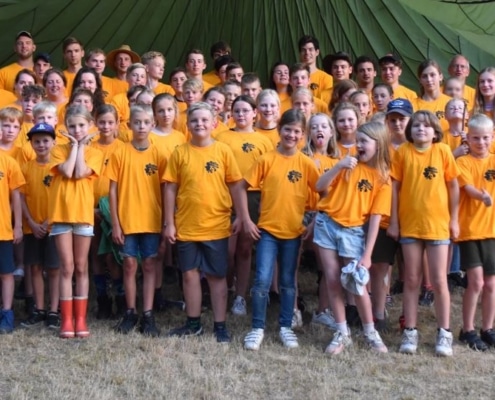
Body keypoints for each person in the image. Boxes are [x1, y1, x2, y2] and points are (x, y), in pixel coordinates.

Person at [163, 102, 248, 343]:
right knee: (189, 275)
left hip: (216, 225)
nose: (199, 124)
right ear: (187, 125)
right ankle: (193, 323)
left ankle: (220, 325)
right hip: (187, 225)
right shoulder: (180, 153)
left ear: (214, 123)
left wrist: (241, 215)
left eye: (204, 120)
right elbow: (170, 188)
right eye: (194, 120)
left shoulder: (223, 151)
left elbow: (235, 185)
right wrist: (169, 222)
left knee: (216, 276)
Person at [242, 109, 319, 350]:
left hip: (294, 233)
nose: (291, 135)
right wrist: (246, 220)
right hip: (267, 231)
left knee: (287, 281)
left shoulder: (306, 164)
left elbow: (325, 194)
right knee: (262, 279)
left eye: (297, 131)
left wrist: (312, 223)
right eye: (287, 129)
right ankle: (257, 327)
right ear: (279, 129)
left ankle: (286, 326)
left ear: (303, 135)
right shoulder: (266, 159)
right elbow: (241, 187)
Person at [313, 121, 391, 355]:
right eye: (358, 141)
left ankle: (370, 332)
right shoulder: (347, 164)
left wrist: (367, 255)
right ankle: (342, 332)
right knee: (332, 279)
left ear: (379, 144)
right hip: (326, 224)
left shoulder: (383, 178)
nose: (359, 145)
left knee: (356, 282)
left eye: (364, 141)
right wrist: (338, 166)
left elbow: (375, 219)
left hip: (353, 231)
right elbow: (319, 186)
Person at [388, 110, 459, 356]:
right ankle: (410, 331)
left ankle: (444, 332)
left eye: (427, 126)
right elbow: (394, 188)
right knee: (411, 279)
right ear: (410, 130)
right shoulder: (403, 152)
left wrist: (454, 220)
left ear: (435, 131)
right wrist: (394, 221)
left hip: (438, 224)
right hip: (410, 224)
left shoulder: (443, 151)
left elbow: (453, 186)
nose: (421, 129)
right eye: (417, 125)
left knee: (439, 280)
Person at [107, 105, 165, 336]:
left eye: (146, 122)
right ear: (129, 124)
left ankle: (148, 314)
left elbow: (166, 190)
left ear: (153, 124)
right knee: (129, 265)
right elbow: (113, 190)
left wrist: (166, 221)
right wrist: (115, 223)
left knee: (150, 264)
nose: (141, 126)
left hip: (151, 219)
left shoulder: (159, 153)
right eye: (137, 122)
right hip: (127, 219)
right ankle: (130, 312)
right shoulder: (120, 153)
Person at [49, 105, 103, 339]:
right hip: (61, 215)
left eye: (81, 125)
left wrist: (81, 147)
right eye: (72, 126)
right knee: (66, 267)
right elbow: (68, 171)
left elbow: (81, 172)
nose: (77, 130)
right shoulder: (57, 150)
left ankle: (80, 319)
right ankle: (67, 320)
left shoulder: (95, 153)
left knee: (81, 267)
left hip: (82, 216)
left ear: (90, 125)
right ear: (65, 127)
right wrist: (74, 146)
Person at [216, 95, 273, 316]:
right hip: (226, 195)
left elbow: (269, 175)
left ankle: (240, 296)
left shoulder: (263, 140)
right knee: (227, 250)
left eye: (245, 110)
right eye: (237, 111)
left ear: (254, 113)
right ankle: (225, 288)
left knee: (245, 247)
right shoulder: (222, 137)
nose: (241, 115)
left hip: (253, 196)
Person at [456, 114, 495, 351]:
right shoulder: (463, 162)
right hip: (470, 230)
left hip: (492, 230)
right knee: (476, 282)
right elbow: (468, 188)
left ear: (492, 137)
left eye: (486, 138)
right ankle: (467, 330)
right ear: (468, 139)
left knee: (491, 283)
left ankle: (488, 328)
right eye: (476, 138)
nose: (481, 142)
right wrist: (483, 197)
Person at [19, 123, 60, 330]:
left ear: (54, 142)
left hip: (54, 227)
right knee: (35, 267)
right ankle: (40, 309)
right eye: (37, 141)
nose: (41, 144)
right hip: (32, 228)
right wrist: (32, 223)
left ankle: (54, 310)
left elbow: (61, 197)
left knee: (54, 268)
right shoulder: (26, 168)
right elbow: (21, 198)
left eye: (45, 140)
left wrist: (48, 221)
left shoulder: (58, 167)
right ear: (31, 144)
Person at [301, 113, 339, 329]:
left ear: (331, 132)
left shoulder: (337, 162)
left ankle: (323, 310)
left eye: (324, 126)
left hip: (324, 215)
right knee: (291, 262)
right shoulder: (301, 158)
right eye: (314, 127)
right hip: (300, 213)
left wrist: (318, 218)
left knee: (327, 265)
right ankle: (293, 309)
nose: (319, 130)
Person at [90, 104, 125, 318]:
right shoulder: (90, 148)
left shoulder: (123, 148)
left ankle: (121, 298)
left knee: (113, 256)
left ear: (117, 123)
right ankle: (102, 299)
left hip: (115, 210)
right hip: (91, 208)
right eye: (101, 122)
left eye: (110, 122)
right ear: (95, 123)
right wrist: (91, 208)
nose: (105, 126)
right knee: (97, 255)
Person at [0, 117, 25, 334]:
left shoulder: (8, 162)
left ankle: (7, 313)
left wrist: (18, 225)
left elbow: (16, 196)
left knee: (6, 272)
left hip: (3, 229)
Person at [413, 59, 452, 131]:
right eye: (424, 76)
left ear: (440, 77)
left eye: (432, 75)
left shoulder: (451, 103)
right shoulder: (413, 105)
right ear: (420, 80)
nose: (429, 79)